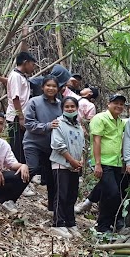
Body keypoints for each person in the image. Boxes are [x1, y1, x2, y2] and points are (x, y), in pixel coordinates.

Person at [23, 75, 62, 212]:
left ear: (58, 89)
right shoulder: (34, 101)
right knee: (32, 169)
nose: (51, 88)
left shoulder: (59, 105)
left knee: (52, 176)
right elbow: (28, 124)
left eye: (54, 86)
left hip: (51, 146)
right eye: (48, 85)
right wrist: (47, 126)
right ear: (42, 87)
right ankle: (9, 196)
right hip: (33, 143)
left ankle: (53, 207)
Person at [89, 94, 127, 232]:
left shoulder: (120, 122)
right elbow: (96, 140)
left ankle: (106, 225)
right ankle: (105, 224)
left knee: (109, 194)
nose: (119, 106)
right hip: (103, 162)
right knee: (112, 193)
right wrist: (97, 164)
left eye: (121, 104)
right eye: (115, 103)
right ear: (108, 104)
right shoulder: (100, 118)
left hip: (116, 163)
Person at [49, 97, 85, 238]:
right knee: (61, 195)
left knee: (72, 195)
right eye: (67, 107)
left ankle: (71, 223)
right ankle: (58, 223)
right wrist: (72, 160)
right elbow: (58, 145)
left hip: (74, 166)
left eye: (73, 107)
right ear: (62, 108)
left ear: (77, 108)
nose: (70, 109)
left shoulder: (78, 126)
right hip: (61, 165)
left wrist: (80, 160)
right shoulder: (58, 123)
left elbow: (81, 145)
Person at [4, 51, 37, 164]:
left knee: (22, 144)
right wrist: (21, 117)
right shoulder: (16, 76)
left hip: (21, 115)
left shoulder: (21, 76)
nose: (33, 68)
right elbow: (15, 98)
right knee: (17, 145)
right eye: (32, 65)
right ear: (25, 62)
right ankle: (17, 169)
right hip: (16, 117)